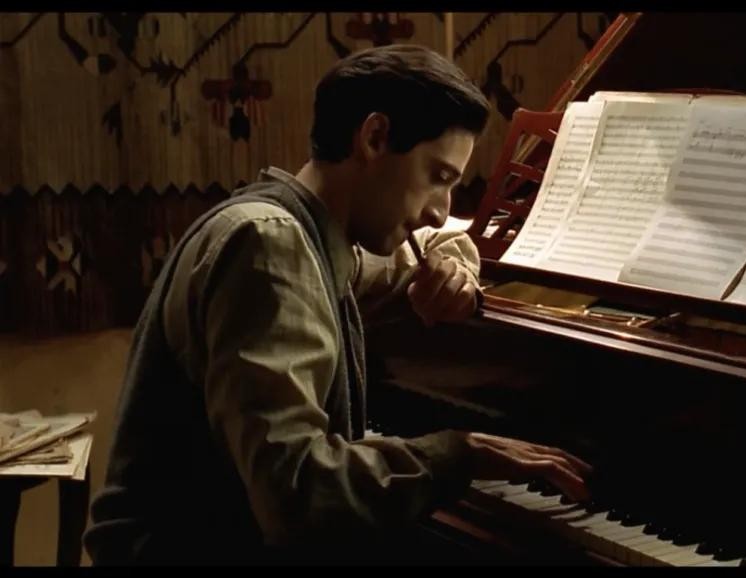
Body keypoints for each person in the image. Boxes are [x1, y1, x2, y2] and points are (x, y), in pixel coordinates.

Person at [83, 44, 591, 565]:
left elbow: (439, 240)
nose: (440, 211)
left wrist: (456, 262)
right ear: (374, 138)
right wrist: (461, 454)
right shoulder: (270, 245)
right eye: (438, 178)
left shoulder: (313, 234)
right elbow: (296, 493)